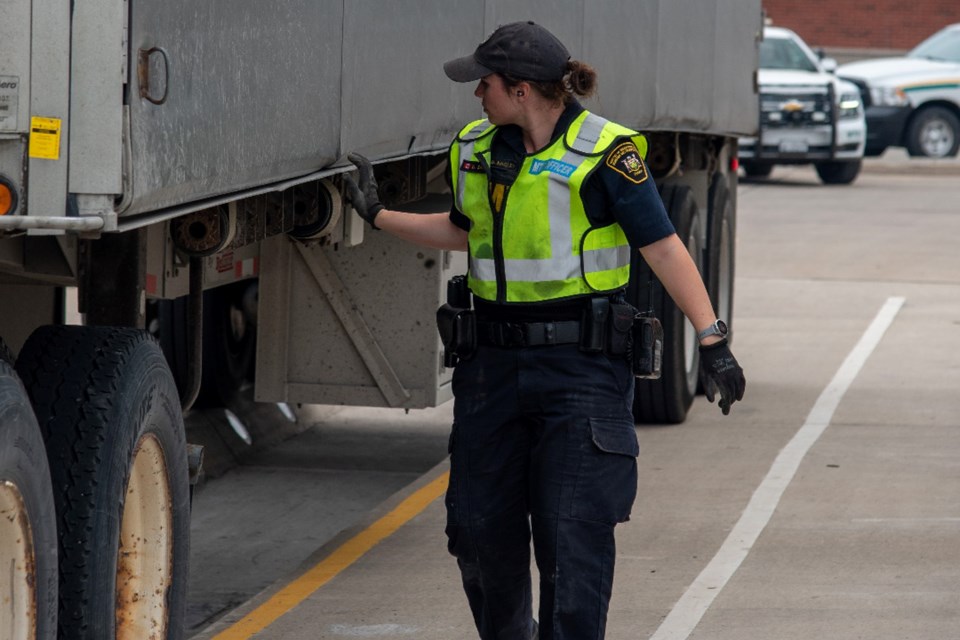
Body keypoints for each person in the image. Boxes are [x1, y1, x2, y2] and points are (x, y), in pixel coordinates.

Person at [344, 20, 745, 640]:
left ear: (523, 90)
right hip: (490, 371)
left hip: (581, 371)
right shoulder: (474, 149)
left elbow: (663, 247)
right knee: (477, 531)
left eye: (486, 83)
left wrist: (712, 341)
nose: (477, 95)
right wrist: (378, 215)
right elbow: (463, 231)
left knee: (572, 535)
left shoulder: (608, 153)